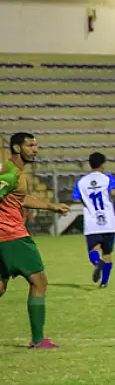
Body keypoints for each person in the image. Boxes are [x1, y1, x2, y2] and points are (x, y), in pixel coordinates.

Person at [0, 133, 71, 349]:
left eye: (35, 145)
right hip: (12, 236)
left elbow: (21, 198)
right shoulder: (10, 172)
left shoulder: (15, 173)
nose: (35, 149)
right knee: (39, 282)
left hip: (6, 237)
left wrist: (51, 206)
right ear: (17, 148)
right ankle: (38, 340)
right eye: (30, 145)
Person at [72, 152, 115, 289]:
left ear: (90, 164)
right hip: (108, 223)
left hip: (92, 224)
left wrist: (86, 201)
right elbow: (114, 192)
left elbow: (75, 199)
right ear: (103, 164)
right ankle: (104, 283)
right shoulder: (108, 178)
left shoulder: (82, 182)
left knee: (93, 250)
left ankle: (98, 263)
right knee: (107, 253)